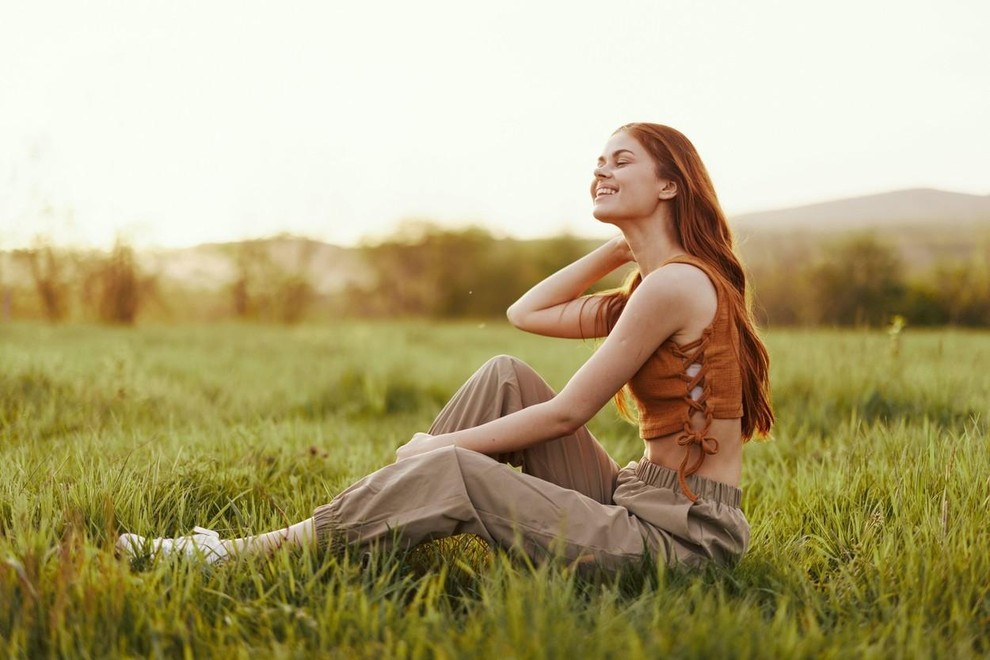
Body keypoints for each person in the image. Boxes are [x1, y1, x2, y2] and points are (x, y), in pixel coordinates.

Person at [117, 123, 774, 571]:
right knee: (505, 375)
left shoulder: (676, 287)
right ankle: (367, 530)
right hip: (636, 499)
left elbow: (569, 413)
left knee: (454, 466)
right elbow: (527, 312)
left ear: (670, 184)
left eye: (621, 160)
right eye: (598, 162)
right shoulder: (653, 286)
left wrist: (443, 446)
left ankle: (241, 553)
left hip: (682, 542)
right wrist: (622, 243)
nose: (601, 169)